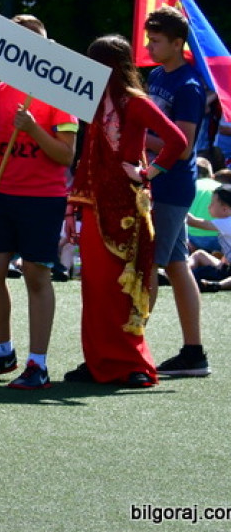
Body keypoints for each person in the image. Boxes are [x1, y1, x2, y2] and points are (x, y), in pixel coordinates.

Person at [64, 35, 187, 387]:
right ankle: (98, 361)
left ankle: (131, 364)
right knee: (94, 288)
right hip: (94, 205)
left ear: (110, 65)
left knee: (121, 290)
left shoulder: (134, 102)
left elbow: (177, 141)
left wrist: (148, 172)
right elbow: (87, 156)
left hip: (126, 211)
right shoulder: (92, 101)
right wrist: (74, 202)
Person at [0, 15, 78, 389]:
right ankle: (2, 351)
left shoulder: (61, 91)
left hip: (43, 199)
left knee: (36, 274)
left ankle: (38, 363)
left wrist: (32, 129)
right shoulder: (0, 92)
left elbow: (66, 156)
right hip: (2, 197)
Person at [143, 5, 211, 377]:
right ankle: (193, 352)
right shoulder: (156, 75)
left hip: (171, 186)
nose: (149, 47)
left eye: (156, 41)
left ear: (177, 43)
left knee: (150, 264)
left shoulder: (188, 85)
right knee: (177, 264)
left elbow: (183, 146)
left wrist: (139, 138)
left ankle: (132, 347)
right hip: (160, 183)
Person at [185, 185, 231, 290]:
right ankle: (180, 272)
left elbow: (193, 222)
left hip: (228, 271)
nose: (208, 207)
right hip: (226, 267)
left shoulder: (227, 222)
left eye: (212, 204)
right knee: (199, 254)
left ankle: (219, 285)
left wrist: (177, 207)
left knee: (199, 273)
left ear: (224, 209)